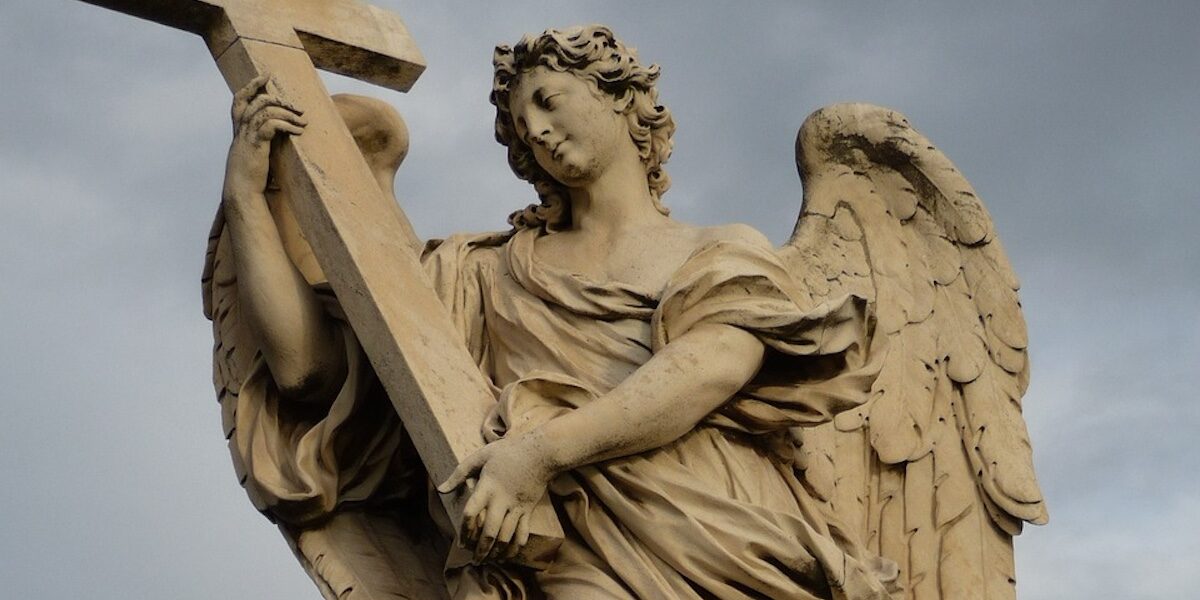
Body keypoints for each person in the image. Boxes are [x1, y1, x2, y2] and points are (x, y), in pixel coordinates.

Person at [221, 24, 894, 600]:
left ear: (621, 98)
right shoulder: (483, 273)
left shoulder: (719, 250)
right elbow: (309, 372)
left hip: (721, 539)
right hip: (562, 554)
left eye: (549, 101)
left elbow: (708, 368)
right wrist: (250, 201)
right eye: (521, 123)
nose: (536, 129)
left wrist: (538, 454)